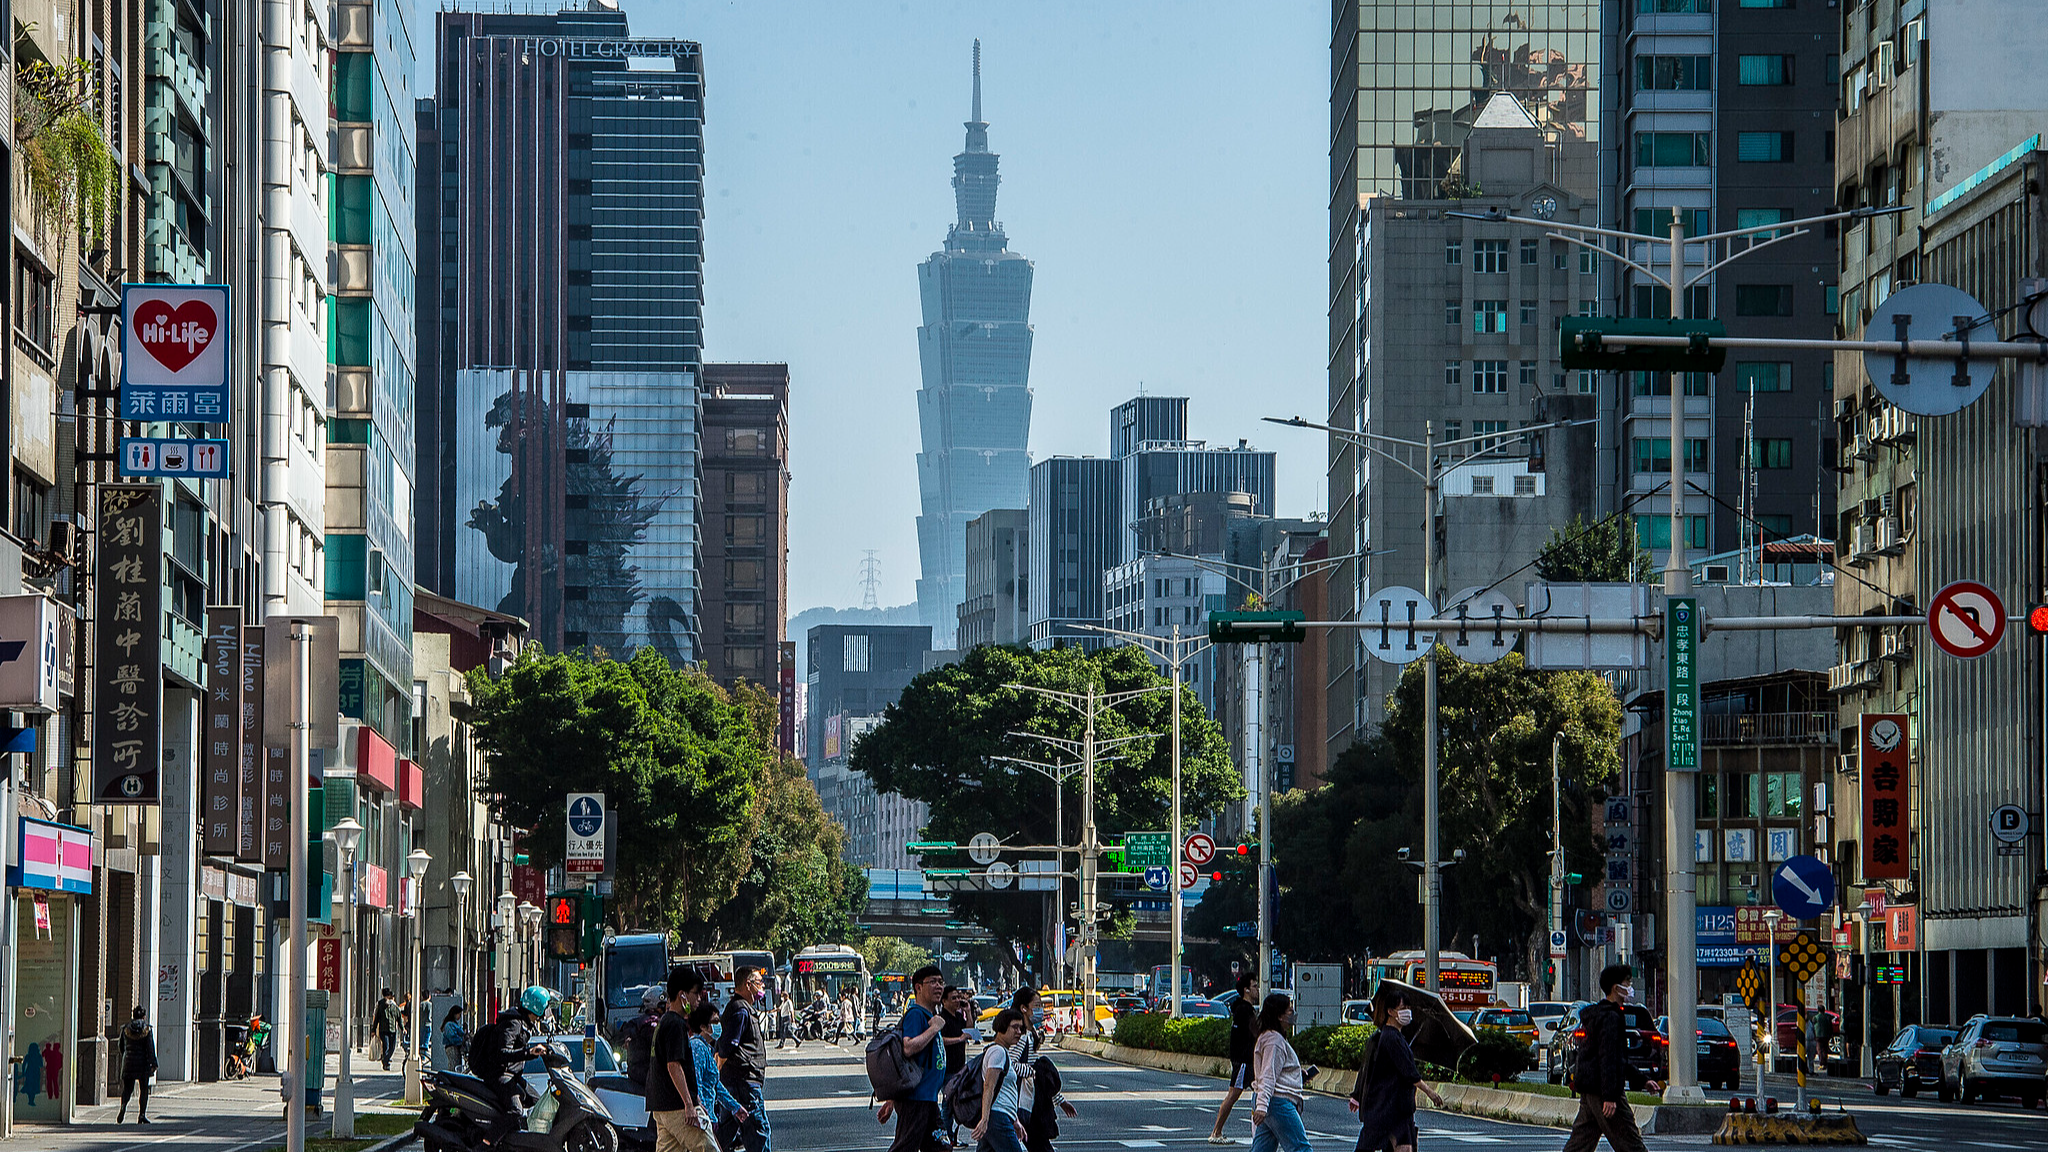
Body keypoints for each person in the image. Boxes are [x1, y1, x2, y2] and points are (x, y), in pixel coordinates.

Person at [1560, 965, 1664, 1152]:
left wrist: (1642, 1080)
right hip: (1604, 1093)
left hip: (1591, 1092)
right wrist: (1609, 1096)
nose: (1630, 987)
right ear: (1616, 988)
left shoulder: (1599, 1015)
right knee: (1631, 1144)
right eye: (1627, 983)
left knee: (1580, 1144)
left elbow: (1617, 1059)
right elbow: (1608, 1058)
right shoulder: (1611, 1018)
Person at [1348, 992, 1445, 1152]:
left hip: (1397, 1108)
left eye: (1408, 1008)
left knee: (1404, 1148)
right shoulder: (1390, 1038)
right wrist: (1430, 1092)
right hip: (1387, 1108)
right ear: (1390, 1011)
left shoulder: (1397, 1037)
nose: (1407, 1012)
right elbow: (1409, 1072)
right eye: (1402, 1008)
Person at [875, 965, 948, 1152]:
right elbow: (908, 1048)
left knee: (940, 1148)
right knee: (905, 1148)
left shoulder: (929, 1015)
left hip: (927, 1098)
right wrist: (934, 1028)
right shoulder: (916, 1014)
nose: (939, 986)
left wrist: (891, 1101)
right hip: (916, 1099)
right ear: (918, 987)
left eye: (941, 982)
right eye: (933, 982)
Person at [468, 986, 553, 1135]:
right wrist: (528, 1052)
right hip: (499, 1074)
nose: (547, 1011)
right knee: (516, 1111)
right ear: (536, 1007)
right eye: (545, 1007)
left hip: (512, 1075)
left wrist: (535, 1052)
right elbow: (502, 1053)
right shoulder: (513, 1023)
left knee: (537, 1102)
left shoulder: (523, 1022)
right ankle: (488, 1141)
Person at [650, 968, 713, 1152]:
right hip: (677, 1106)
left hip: (661, 1106)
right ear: (682, 995)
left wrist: (696, 1099)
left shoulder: (664, 1022)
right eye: (696, 994)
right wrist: (689, 1104)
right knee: (707, 1147)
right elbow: (674, 1066)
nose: (699, 1000)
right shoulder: (676, 1025)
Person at [1008, 987, 1077, 1151]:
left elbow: (1042, 1081)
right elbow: (1010, 1063)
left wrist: (1059, 1100)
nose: (1040, 1010)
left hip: (1032, 1102)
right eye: (1037, 1005)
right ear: (1024, 1008)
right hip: (1025, 1104)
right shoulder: (1022, 1036)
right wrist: (1032, 1072)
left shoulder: (1031, 1033)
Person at [717, 965, 773, 1152]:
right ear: (748, 985)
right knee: (758, 1132)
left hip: (737, 1082)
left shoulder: (743, 1009)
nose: (762, 987)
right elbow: (725, 1048)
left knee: (726, 1133)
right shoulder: (740, 1011)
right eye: (759, 983)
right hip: (743, 1083)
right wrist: (715, 1077)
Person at [1250, 992, 1313, 1152]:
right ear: (1279, 1016)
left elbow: (1275, 1071)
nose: (1293, 1014)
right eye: (1289, 1011)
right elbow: (1268, 1075)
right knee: (1301, 1148)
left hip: (1269, 1100)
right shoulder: (1275, 1041)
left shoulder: (1269, 1037)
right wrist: (1262, 1106)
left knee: (1262, 1149)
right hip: (1278, 1101)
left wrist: (1298, 1075)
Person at [689, 1002, 750, 1143]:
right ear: (703, 1027)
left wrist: (735, 1107)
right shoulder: (697, 1047)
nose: (719, 1025)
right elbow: (696, 1082)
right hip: (703, 1119)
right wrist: (702, 1112)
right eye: (715, 1021)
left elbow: (715, 1085)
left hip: (709, 1117)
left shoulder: (707, 1049)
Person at [972, 1010, 1031, 1152]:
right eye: (1014, 1027)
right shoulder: (998, 1052)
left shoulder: (1002, 1052)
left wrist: (1015, 1120)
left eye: (1020, 1028)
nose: (1019, 1032)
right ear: (1002, 1027)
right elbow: (989, 1086)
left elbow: (1004, 1090)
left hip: (1000, 1117)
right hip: (997, 1118)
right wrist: (985, 1119)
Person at [1209, 975, 1259, 1144]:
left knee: (1262, 1093)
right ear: (1246, 990)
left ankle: (1263, 1134)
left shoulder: (1244, 1009)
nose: (1257, 989)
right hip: (1244, 1060)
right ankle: (1216, 1132)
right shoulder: (1244, 1010)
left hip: (1248, 1060)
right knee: (1233, 1094)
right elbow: (1252, 1034)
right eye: (1254, 986)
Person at [622, 986, 668, 1088]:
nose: (666, 1007)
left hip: (640, 1075)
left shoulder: (636, 1022)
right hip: (648, 1078)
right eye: (663, 1005)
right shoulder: (651, 1023)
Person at [116, 1008, 156, 1124]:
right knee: (143, 1089)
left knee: (127, 1089)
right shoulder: (147, 1029)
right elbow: (150, 1048)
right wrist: (153, 1063)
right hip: (143, 1064)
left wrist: (126, 1056)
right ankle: (142, 1115)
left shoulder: (125, 1029)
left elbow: (121, 1045)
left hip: (128, 1062)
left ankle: (123, 1107)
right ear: (144, 1017)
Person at [372, 988, 403, 1070]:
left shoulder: (395, 1007)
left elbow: (399, 1018)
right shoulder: (381, 1005)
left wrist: (402, 1028)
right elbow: (376, 1018)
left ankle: (386, 1059)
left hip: (393, 1030)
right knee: (386, 1045)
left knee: (392, 1047)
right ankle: (386, 1063)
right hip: (383, 1029)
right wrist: (373, 1030)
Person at [441, 1005, 470, 1073]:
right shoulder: (449, 1025)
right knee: (454, 1066)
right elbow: (452, 1037)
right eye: (459, 1014)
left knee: (456, 1066)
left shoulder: (453, 1024)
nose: (460, 1016)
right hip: (452, 1048)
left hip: (455, 1048)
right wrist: (461, 1040)